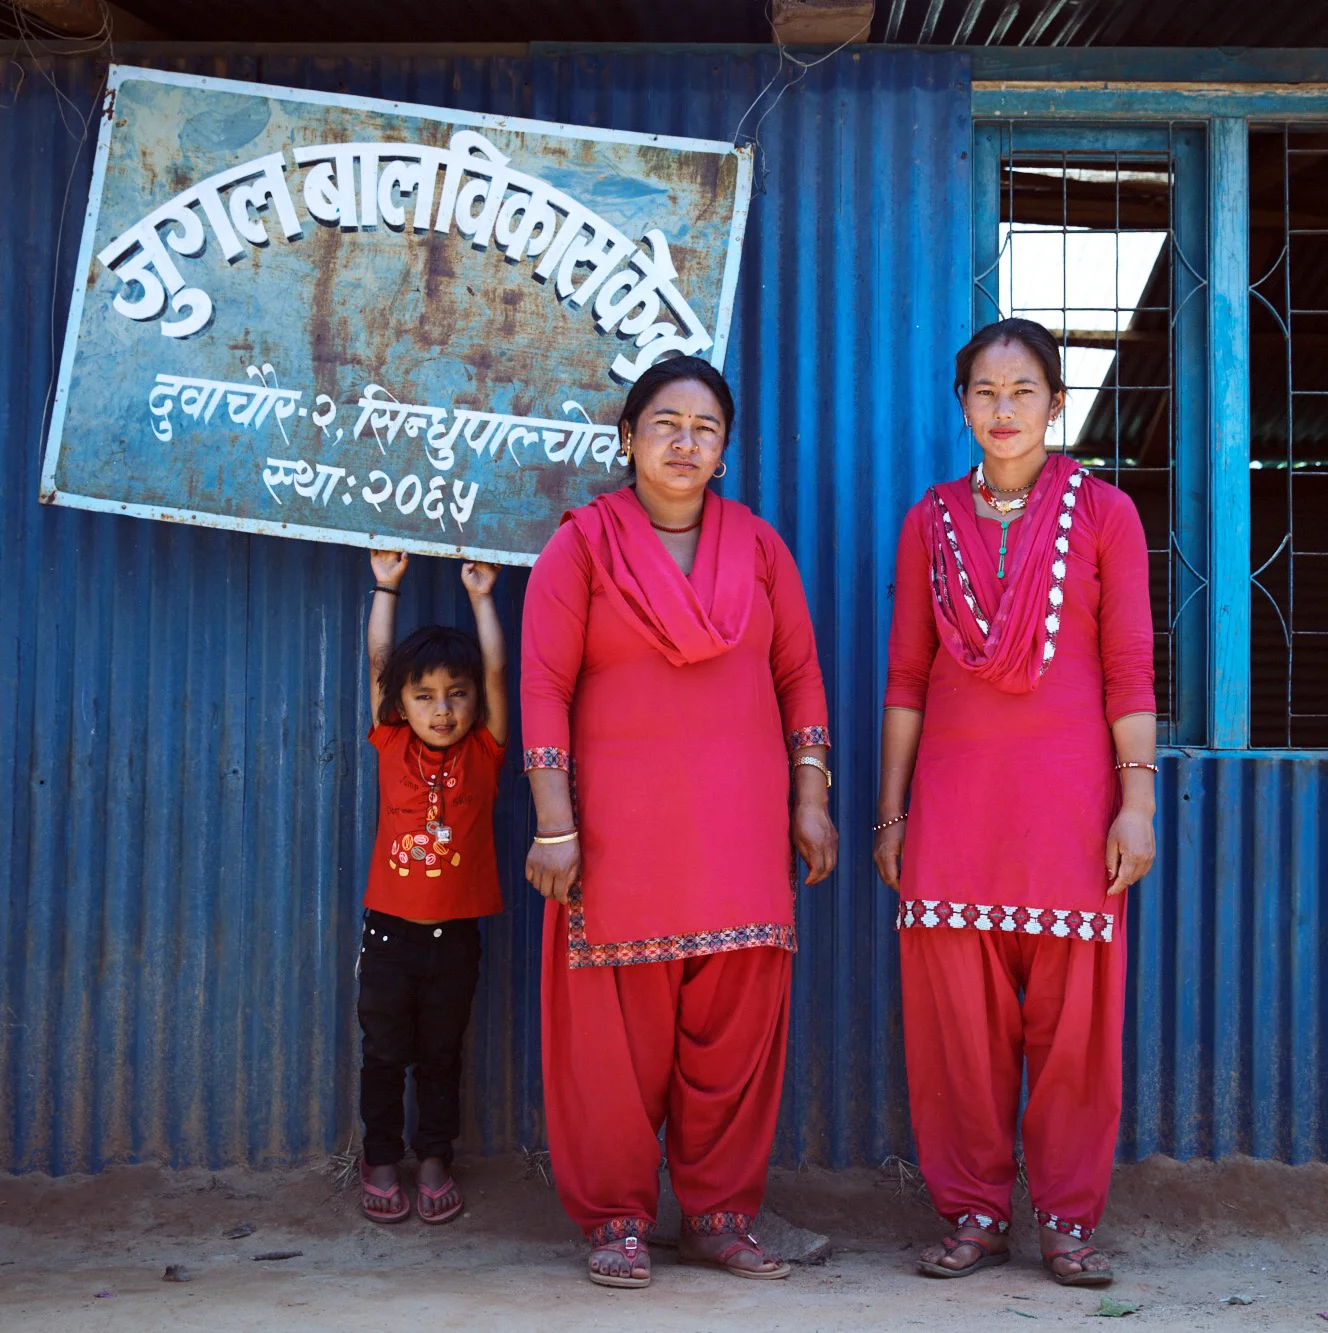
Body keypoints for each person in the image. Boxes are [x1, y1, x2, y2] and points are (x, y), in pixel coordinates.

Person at [521, 355, 838, 1289]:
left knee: (733, 1031)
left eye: (705, 428)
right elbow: (544, 682)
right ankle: (618, 1217)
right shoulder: (581, 545)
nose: (685, 442)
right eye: (665, 422)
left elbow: (800, 676)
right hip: (616, 842)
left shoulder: (760, 548)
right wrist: (552, 822)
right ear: (628, 438)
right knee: (615, 1043)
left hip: (740, 836)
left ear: (726, 452)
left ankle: (720, 1212)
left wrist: (811, 798)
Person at [874, 318, 1156, 1287]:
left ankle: (1068, 1219)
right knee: (955, 1026)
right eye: (984, 393)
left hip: (1071, 810)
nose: (1001, 411)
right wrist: (891, 810)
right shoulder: (926, 522)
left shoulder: (1106, 516)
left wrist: (1135, 804)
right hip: (954, 810)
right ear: (960, 405)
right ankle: (971, 1209)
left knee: (1075, 1029)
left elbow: (1127, 672)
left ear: (1054, 404)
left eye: (1021, 391)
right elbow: (905, 676)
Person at [356, 551, 507, 1224]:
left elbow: (499, 668)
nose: (441, 710)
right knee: (386, 1051)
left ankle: (435, 1157)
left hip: (455, 937)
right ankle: (381, 1157)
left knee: (441, 1051)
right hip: (389, 933)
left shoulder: (485, 750)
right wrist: (386, 586)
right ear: (401, 703)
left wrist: (482, 598)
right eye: (424, 696)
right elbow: (379, 662)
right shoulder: (390, 741)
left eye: (457, 694)